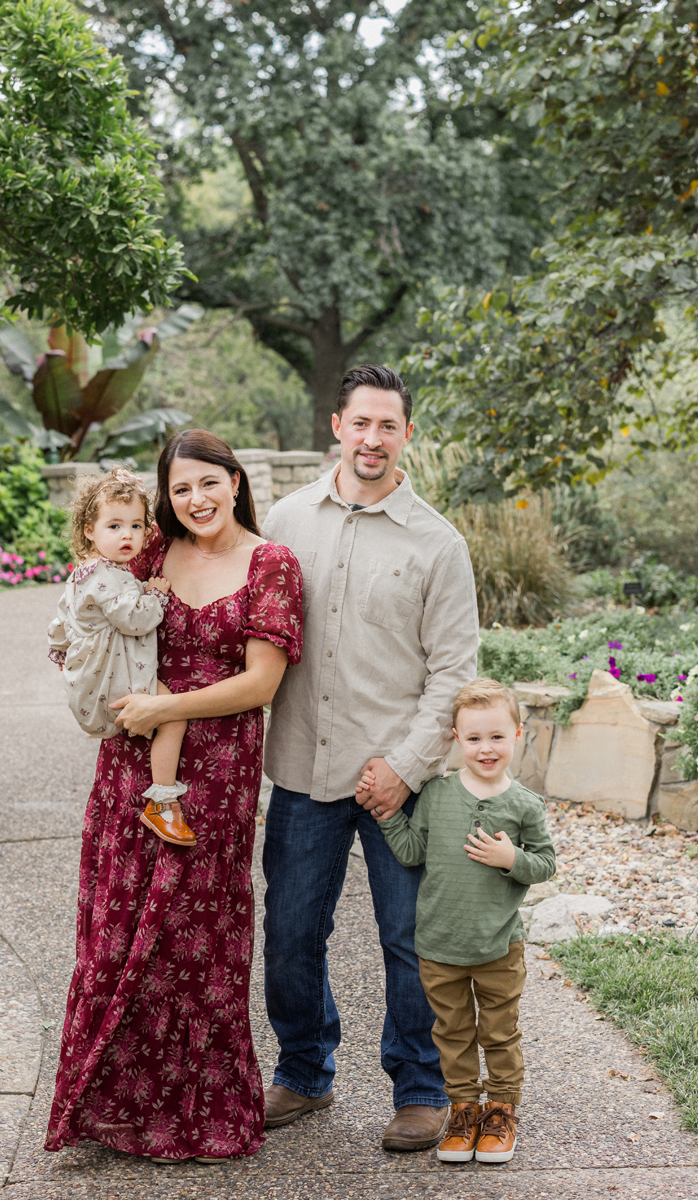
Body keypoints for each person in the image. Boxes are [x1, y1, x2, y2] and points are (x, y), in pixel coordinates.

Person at [44, 430, 303, 1163]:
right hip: (129, 762)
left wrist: (166, 709)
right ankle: (112, 1107)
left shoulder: (271, 562)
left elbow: (262, 683)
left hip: (215, 774)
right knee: (121, 929)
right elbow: (88, 601)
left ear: (234, 479)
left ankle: (198, 1113)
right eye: (181, 488)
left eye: (208, 483)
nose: (196, 499)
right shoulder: (152, 551)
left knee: (197, 935)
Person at [260, 364, 480, 1152]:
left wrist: (406, 767)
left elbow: (454, 672)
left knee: (408, 940)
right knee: (288, 936)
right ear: (336, 426)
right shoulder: (285, 522)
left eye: (389, 426)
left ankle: (420, 1089)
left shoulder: (438, 544)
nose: (374, 439)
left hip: (400, 782)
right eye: (362, 423)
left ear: (407, 435)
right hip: (302, 770)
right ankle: (304, 1071)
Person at [370, 678, 556, 1164]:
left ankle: (500, 1113)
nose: (486, 748)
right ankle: (463, 1112)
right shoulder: (436, 794)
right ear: (456, 738)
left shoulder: (524, 805)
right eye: (474, 738)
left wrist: (510, 857)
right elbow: (412, 852)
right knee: (451, 1036)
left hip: (498, 948)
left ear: (518, 733)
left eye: (497, 736)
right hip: (439, 947)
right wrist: (387, 814)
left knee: (499, 1034)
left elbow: (545, 864)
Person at [47, 468, 195, 846]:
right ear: (89, 530)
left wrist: (62, 650)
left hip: (101, 671)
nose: (127, 535)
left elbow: (62, 619)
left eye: (135, 525)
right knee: (173, 715)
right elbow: (134, 618)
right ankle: (162, 802)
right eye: (114, 526)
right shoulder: (108, 577)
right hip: (118, 673)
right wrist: (156, 596)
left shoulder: (87, 571)